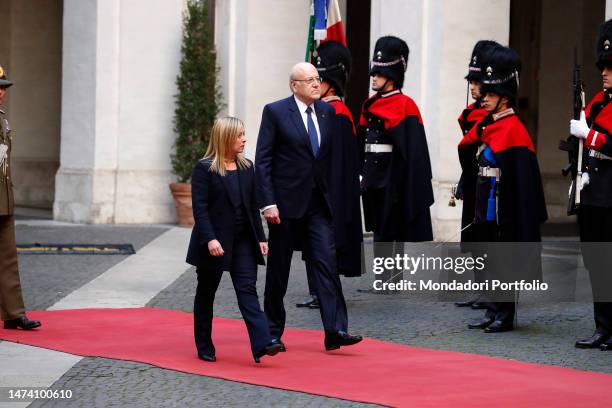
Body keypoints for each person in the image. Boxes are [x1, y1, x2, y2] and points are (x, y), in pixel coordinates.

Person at [255, 62, 362, 351]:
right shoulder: (275, 112)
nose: (317, 84)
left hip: (318, 207)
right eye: (310, 80)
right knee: (279, 271)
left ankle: (336, 330)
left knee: (327, 265)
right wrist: (267, 203)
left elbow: (328, 161)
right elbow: (263, 161)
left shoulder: (327, 113)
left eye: (318, 79)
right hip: (285, 206)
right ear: (294, 85)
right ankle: (272, 332)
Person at [459, 45, 547, 333]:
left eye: (491, 95)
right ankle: (491, 307)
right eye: (484, 94)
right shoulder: (489, 125)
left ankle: (505, 312)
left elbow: (520, 181)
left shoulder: (513, 129)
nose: (484, 99)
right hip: (485, 200)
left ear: (504, 98)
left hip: (502, 204)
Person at [186, 117, 281, 363]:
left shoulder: (247, 167)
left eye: (243, 134)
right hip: (214, 242)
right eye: (239, 135)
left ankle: (263, 342)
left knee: (247, 289)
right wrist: (210, 239)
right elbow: (200, 208)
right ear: (226, 137)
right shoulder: (204, 168)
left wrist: (260, 237)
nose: (244, 139)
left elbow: (252, 205)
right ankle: (204, 344)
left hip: (243, 242)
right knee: (206, 293)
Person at [358, 36, 434, 285]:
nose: (373, 78)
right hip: (373, 176)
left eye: (379, 74)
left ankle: (392, 279)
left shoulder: (406, 106)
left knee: (392, 229)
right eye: (374, 73)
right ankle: (384, 278)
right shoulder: (370, 104)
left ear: (392, 75)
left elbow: (412, 152)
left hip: (393, 178)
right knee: (379, 227)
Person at [297, 41, 363, 309]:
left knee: (326, 246)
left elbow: (337, 165)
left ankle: (325, 293)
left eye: (319, 79)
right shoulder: (320, 111)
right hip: (312, 191)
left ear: (331, 83)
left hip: (329, 192)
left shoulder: (337, 114)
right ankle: (317, 292)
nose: (314, 84)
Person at [570, 19, 612, 351]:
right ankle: (603, 327)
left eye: (611, 68)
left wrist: (590, 135)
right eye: (604, 67)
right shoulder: (596, 102)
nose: (605, 72)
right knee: (597, 265)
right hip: (594, 196)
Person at [454, 40, 499, 310]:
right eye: (471, 80)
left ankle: (490, 290)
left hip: (488, 181)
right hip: (472, 180)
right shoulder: (471, 114)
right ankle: (479, 287)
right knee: (472, 237)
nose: (472, 86)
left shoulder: (490, 115)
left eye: (477, 81)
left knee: (487, 236)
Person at [0, 65, 41, 331]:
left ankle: (13, 313)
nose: (2, 92)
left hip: (3, 196)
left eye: (3, 88)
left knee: (7, 257)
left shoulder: (2, 118)